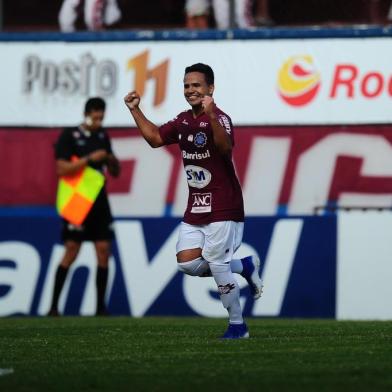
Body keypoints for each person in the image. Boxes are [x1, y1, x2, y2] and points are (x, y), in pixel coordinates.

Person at [124, 63, 263, 339]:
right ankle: (244, 266)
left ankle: (238, 325)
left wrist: (211, 115)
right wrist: (134, 109)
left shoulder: (220, 118)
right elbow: (154, 139)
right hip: (196, 206)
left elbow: (225, 148)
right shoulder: (183, 121)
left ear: (210, 89)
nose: (190, 90)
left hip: (224, 205)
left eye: (196, 85)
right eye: (187, 85)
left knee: (216, 262)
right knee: (187, 263)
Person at [48, 97, 120, 316]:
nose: (98, 120)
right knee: (71, 250)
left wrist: (110, 159)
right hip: (78, 199)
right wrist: (89, 159)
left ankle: (100, 308)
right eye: (95, 116)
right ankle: (53, 307)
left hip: (98, 200)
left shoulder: (102, 136)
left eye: (101, 117)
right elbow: (61, 169)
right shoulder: (70, 135)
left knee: (103, 250)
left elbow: (115, 172)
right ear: (86, 114)